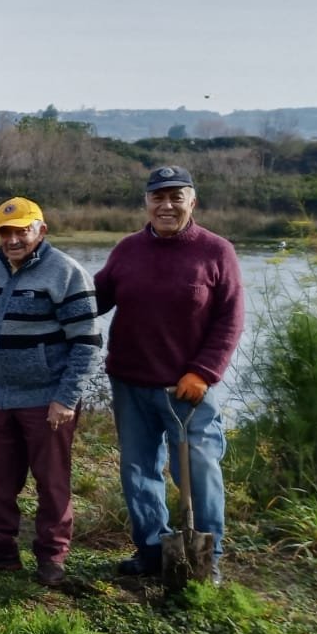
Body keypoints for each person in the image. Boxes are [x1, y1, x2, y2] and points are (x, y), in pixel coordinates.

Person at [93, 166, 243, 581]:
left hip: (188, 390)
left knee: (198, 475)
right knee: (138, 472)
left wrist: (203, 372)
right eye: (158, 197)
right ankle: (152, 551)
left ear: (192, 201)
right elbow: (96, 299)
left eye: (176, 196)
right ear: (146, 203)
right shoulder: (127, 250)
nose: (167, 205)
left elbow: (230, 321)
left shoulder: (216, 251)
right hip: (129, 383)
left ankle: (204, 560)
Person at [0, 197, 102, 586]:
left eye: (23, 230)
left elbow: (86, 342)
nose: (14, 239)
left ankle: (52, 557)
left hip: (46, 398)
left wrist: (66, 397)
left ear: (41, 231)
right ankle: (0, 549)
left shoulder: (66, 273)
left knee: (52, 482)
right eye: (6, 232)